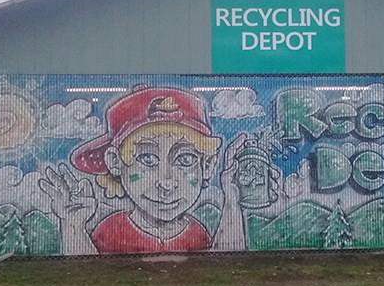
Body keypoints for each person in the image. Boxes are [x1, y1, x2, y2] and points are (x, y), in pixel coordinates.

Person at [40, 85, 271, 254]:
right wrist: (73, 226)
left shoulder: (197, 232)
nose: (166, 182)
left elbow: (224, 267)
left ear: (207, 166)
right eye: (148, 158)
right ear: (115, 162)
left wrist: (232, 203)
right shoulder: (109, 231)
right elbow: (89, 281)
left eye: (185, 159)